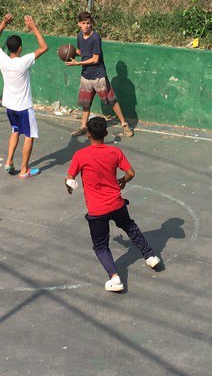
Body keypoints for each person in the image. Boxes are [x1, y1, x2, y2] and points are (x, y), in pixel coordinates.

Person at [66, 115, 162, 293]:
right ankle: (150, 256)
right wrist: (123, 180)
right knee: (130, 227)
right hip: (117, 203)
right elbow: (131, 173)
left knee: (101, 245)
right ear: (106, 133)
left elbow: (70, 179)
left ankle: (115, 278)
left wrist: (69, 185)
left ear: (88, 134)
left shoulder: (80, 155)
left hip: (97, 210)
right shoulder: (115, 152)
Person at [0, 13, 49, 177]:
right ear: (20, 48)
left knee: (15, 130)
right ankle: (24, 170)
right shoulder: (23, 61)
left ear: (9, 48)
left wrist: (3, 23)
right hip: (24, 107)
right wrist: (33, 27)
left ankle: (9, 162)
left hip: (10, 106)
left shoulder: (2, 59)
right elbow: (44, 47)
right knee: (30, 136)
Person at [66, 11, 134, 138]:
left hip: (98, 75)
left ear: (91, 23)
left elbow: (95, 59)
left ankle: (124, 125)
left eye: (88, 23)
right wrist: (71, 53)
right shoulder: (79, 36)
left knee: (111, 100)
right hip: (86, 75)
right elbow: (82, 52)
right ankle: (83, 127)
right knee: (86, 103)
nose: (86, 26)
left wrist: (77, 64)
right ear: (79, 24)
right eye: (83, 23)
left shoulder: (96, 38)